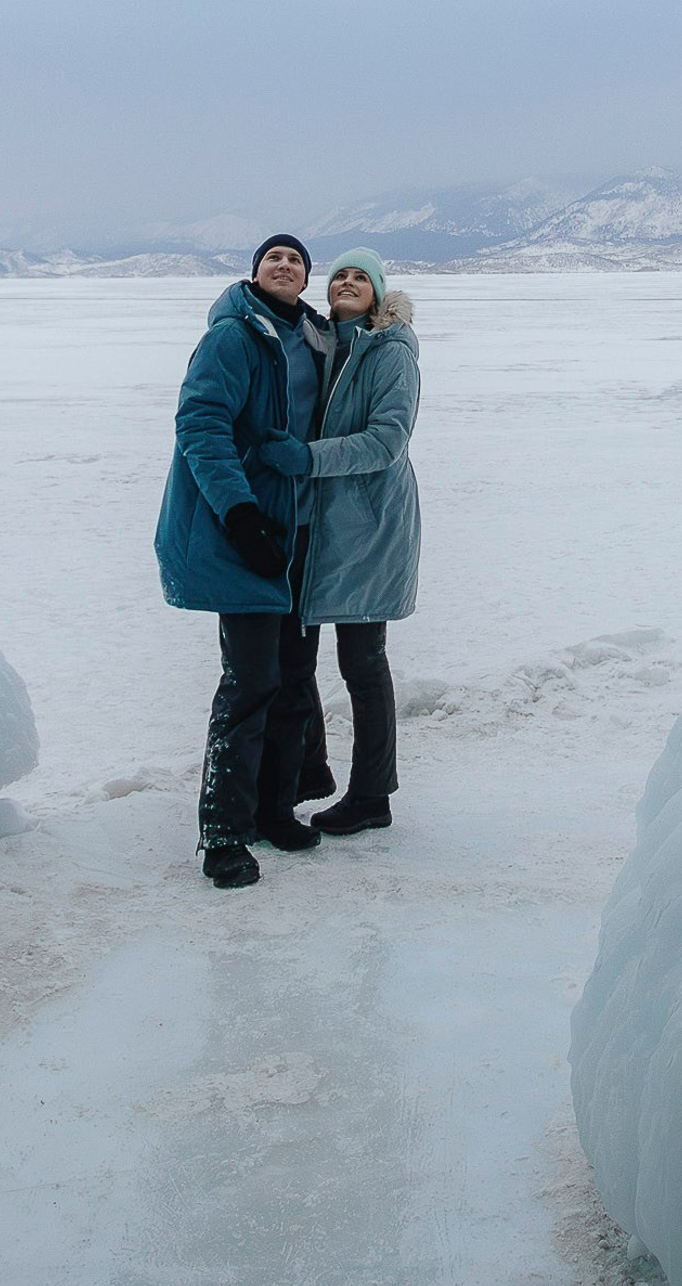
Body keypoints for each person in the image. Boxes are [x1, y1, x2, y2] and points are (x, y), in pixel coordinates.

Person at [154, 231, 333, 889]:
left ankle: (274, 809)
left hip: (304, 534)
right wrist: (240, 514)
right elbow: (201, 426)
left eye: (295, 260)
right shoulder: (234, 337)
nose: (284, 265)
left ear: (306, 279)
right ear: (256, 273)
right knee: (251, 680)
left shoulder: (316, 340)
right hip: (250, 534)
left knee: (293, 677)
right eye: (272, 258)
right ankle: (223, 834)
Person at [268, 247, 421, 836]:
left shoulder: (390, 350)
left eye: (361, 278)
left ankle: (372, 796)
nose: (348, 284)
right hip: (320, 526)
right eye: (340, 277)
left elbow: (386, 440)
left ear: (378, 294)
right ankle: (310, 772)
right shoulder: (326, 344)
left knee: (362, 663)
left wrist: (305, 459)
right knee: (296, 657)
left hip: (369, 525)